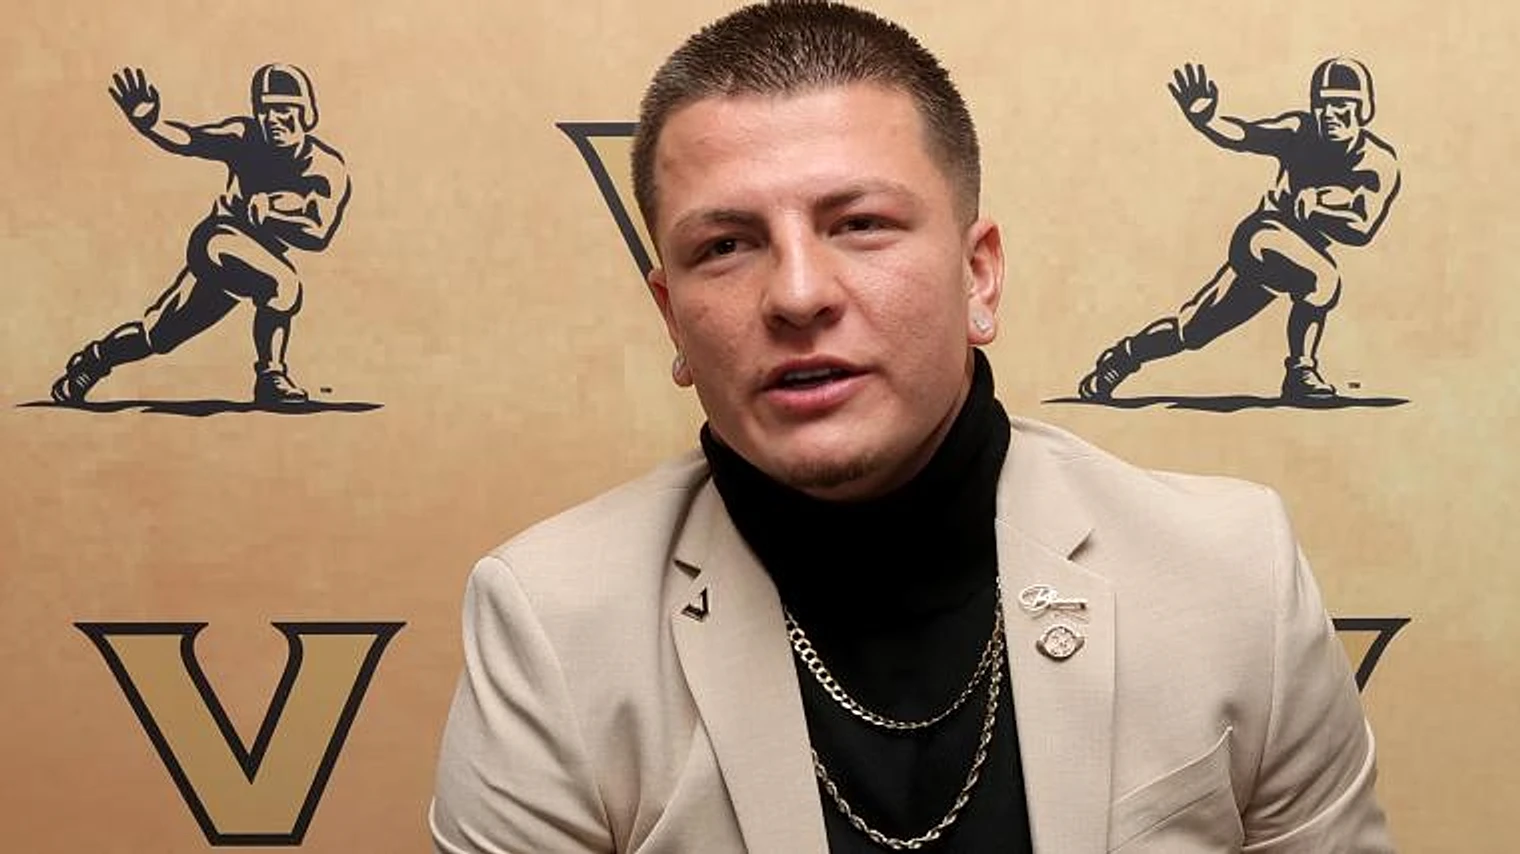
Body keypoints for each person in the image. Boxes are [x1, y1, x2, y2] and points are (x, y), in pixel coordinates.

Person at [431, 2, 1393, 851]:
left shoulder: (1230, 573)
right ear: (672, 318)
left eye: (859, 224)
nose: (797, 294)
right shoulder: (551, 622)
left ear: (979, 277)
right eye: (725, 245)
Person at [1078, 59, 1400, 402]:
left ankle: (1124, 357)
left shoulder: (1378, 162)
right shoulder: (1299, 131)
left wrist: (1318, 208)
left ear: (1363, 108)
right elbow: (1246, 135)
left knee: (1192, 330)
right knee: (1323, 279)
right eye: (1322, 104)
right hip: (1263, 237)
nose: (1330, 113)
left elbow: (1362, 227)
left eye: (1341, 104)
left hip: (1297, 258)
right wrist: (1208, 120)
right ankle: (1300, 371)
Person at [50, 64, 351, 407]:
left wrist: (273, 215)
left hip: (256, 260)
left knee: (157, 335)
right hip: (219, 241)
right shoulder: (244, 136)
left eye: (283, 109)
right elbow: (192, 139)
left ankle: (93, 361)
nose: (272, 119)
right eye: (265, 109)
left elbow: (318, 233)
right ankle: (271, 377)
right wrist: (152, 125)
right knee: (283, 284)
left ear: (306, 113)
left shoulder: (326, 168)